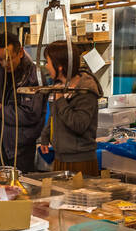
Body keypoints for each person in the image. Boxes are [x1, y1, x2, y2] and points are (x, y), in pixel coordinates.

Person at [0, 34, 45, 173]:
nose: (4, 64)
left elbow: (31, 113)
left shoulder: (33, 75)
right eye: (1, 59)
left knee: (22, 188)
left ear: (20, 52)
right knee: (2, 187)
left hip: (21, 145)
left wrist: (1, 111)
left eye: (9, 59)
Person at [37, 41, 102, 175]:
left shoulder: (86, 90)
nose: (46, 66)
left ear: (59, 66)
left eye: (48, 62)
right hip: (60, 158)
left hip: (80, 162)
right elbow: (55, 116)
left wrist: (60, 99)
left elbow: (79, 124)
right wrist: (45, 135)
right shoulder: (59, 86)